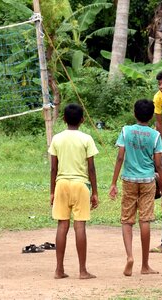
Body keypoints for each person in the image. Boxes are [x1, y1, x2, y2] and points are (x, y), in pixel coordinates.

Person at [109, 99, 162, 276]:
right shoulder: (154, 135)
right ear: (152, 116)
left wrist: (113, 182)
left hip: (129, 179)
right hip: (147, 181)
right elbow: (159, 165)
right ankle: (145, 265)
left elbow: (120, 157)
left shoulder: (126, 131)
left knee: (127, 220)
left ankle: (129, 256)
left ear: (134, 114)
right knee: (145, 220)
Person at [48, 103, 99, 279]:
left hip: (61, 184)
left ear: (63, 119)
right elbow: (91, 168)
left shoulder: (57, 139)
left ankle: (59, 269)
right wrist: (95, 192)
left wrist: (52, 191)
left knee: (62, 225)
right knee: (80, 226)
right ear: (82, 120)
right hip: (80, 185)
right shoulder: (86, 139)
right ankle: (83, 270)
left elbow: (53, 168)